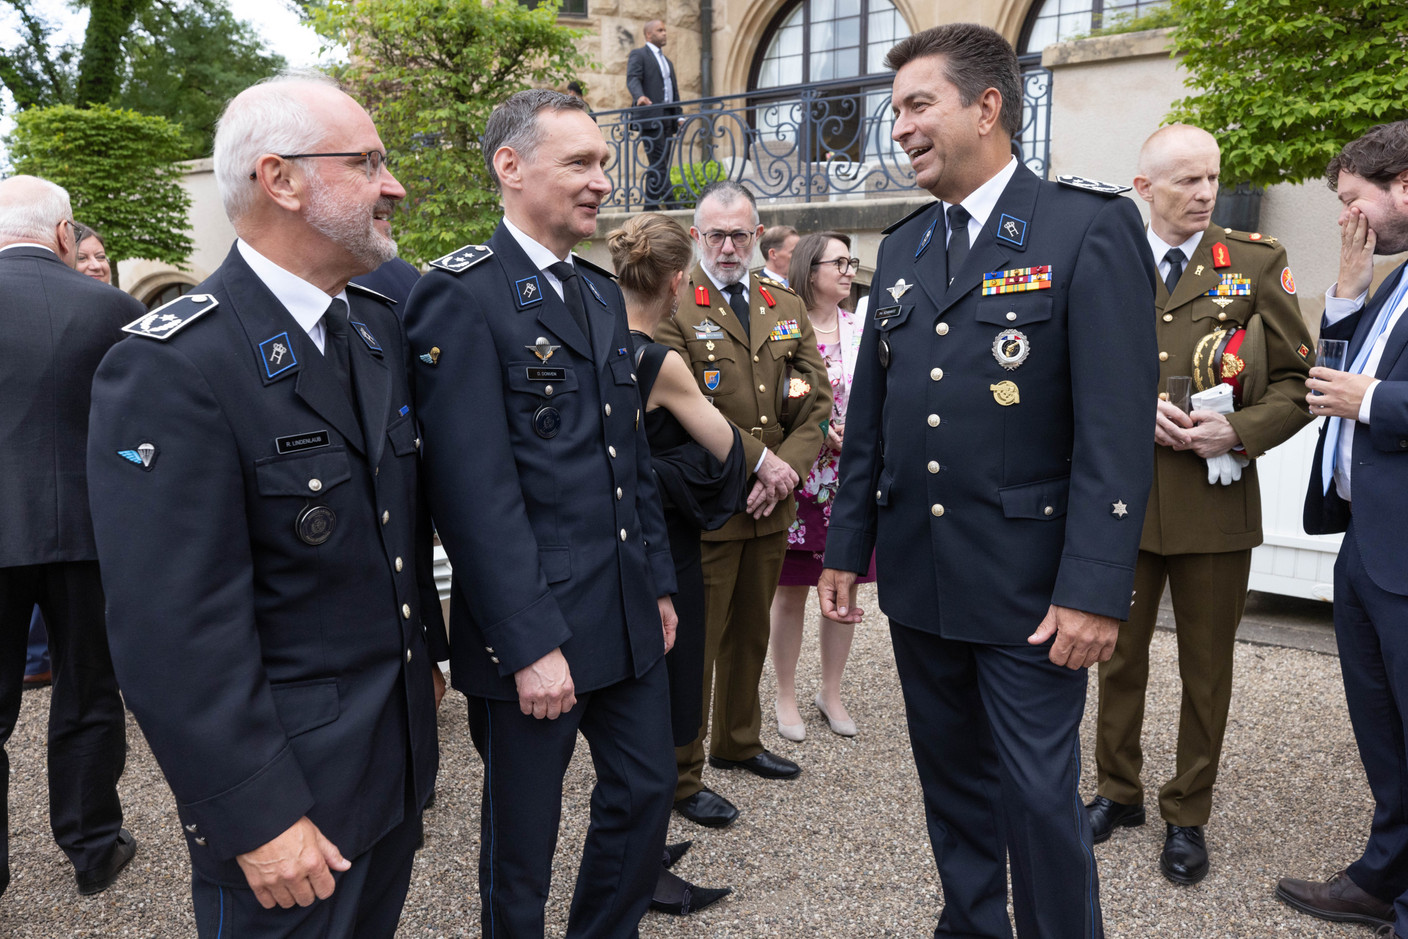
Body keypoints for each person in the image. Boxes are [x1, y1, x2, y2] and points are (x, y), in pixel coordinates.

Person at [87, 72, 446, 935]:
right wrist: (255, 815)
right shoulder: (174, 365)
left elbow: (390, 535)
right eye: (367, 162)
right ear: (280, 179)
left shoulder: (363, 329)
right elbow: (170, 631)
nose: (392, 184)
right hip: (289, 805)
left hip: (384, 766)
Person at [818, 24, 1156, 938]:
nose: (901, 128)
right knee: (953, 788)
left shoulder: (1086, 226)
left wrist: (1094, 588)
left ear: (987, 106)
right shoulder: (906, 245)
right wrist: (847, 549)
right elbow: (876, 426)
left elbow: (1117, 435)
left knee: (1040, 799)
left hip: (1032, 594)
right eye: (897, 112)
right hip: (925, 579)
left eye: (918, 106)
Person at [403, 89, 679, 938]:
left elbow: (627, 457)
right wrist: (529, 644)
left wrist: (659, 584)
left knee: (644, 793)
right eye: (581, 164)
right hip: (534, 627)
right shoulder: (460, 296)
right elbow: (472, 493)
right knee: (523, 842)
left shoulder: (597, 295)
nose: (602, 181)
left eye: (603, 163)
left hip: (626, 606)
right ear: (511, 167)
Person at [1087, 124, 1314, 885]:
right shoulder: (1105, 257)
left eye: (1212, 177)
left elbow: (1296, 383)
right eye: (1187, 180)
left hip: (1213, 504)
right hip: (1119, 500)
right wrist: (1127, 409)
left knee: (1205, 668)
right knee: (1114, 656)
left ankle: (1188, 812)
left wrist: (1237, 430)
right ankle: (1117, 791)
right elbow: (1073, 369)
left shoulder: (1252, 262)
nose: (1206, 193)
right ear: (1144, 188)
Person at [655, 180, 832, 828]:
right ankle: (680, 773)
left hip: (771, 503)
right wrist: (757, 468)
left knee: (751, 631)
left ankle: (738, 739)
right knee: (694, 648)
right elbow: (681, 412)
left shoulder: (781, 300)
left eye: (740, 234)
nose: (728, 245)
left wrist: (785, 473)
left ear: (757, 237)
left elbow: (815, 400)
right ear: (697, 237)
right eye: (716, 234)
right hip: (710, 506)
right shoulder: (675, 305)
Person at [1276, 119, 1408, 936]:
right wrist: (1351, 287)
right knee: (1382, 728)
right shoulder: (1395, 278)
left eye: (1355, 201)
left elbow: (1361, 396)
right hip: (1368, 543)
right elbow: (1334, 377)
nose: (1346, 217)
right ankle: (1383, 873)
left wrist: (1377, 403)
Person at [0, 175, 142, 901]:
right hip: (89, 530)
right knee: (89, 692)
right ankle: (91, 845)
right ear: (64, 235)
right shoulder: (111, 306)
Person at [608, 212, 744, 917]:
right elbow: (728, 452)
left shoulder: (587, 347)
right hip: (664, 553)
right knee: (662, 718)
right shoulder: (657, 361)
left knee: (635, 710)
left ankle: (640, 848)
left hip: (605, 555)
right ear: (675, 280)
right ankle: (646, 874)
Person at [768, 231, 875, 742]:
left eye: (852, 261)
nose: (850, 269)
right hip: (801, 479)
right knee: (789, 594)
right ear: (811, 271)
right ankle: (785, 693)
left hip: (851, 481)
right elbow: (773, 400)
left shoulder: (863, 328)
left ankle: (830, 692)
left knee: (844, 588)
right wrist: (815, 431)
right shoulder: (785, 331)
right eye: (840, 262)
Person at [626, 18, 681, 209]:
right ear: (649, 34)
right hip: (650, 118)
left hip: (667, 117)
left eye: (664, 30)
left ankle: (650, 205)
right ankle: (673, 204)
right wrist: (639, 96)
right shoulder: (639, 54)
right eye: (660, 30)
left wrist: (679, 115)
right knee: (658, 161)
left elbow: (673, 90)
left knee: (658, 163)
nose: (664, 33)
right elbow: (633, 78)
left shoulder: (668, 62)